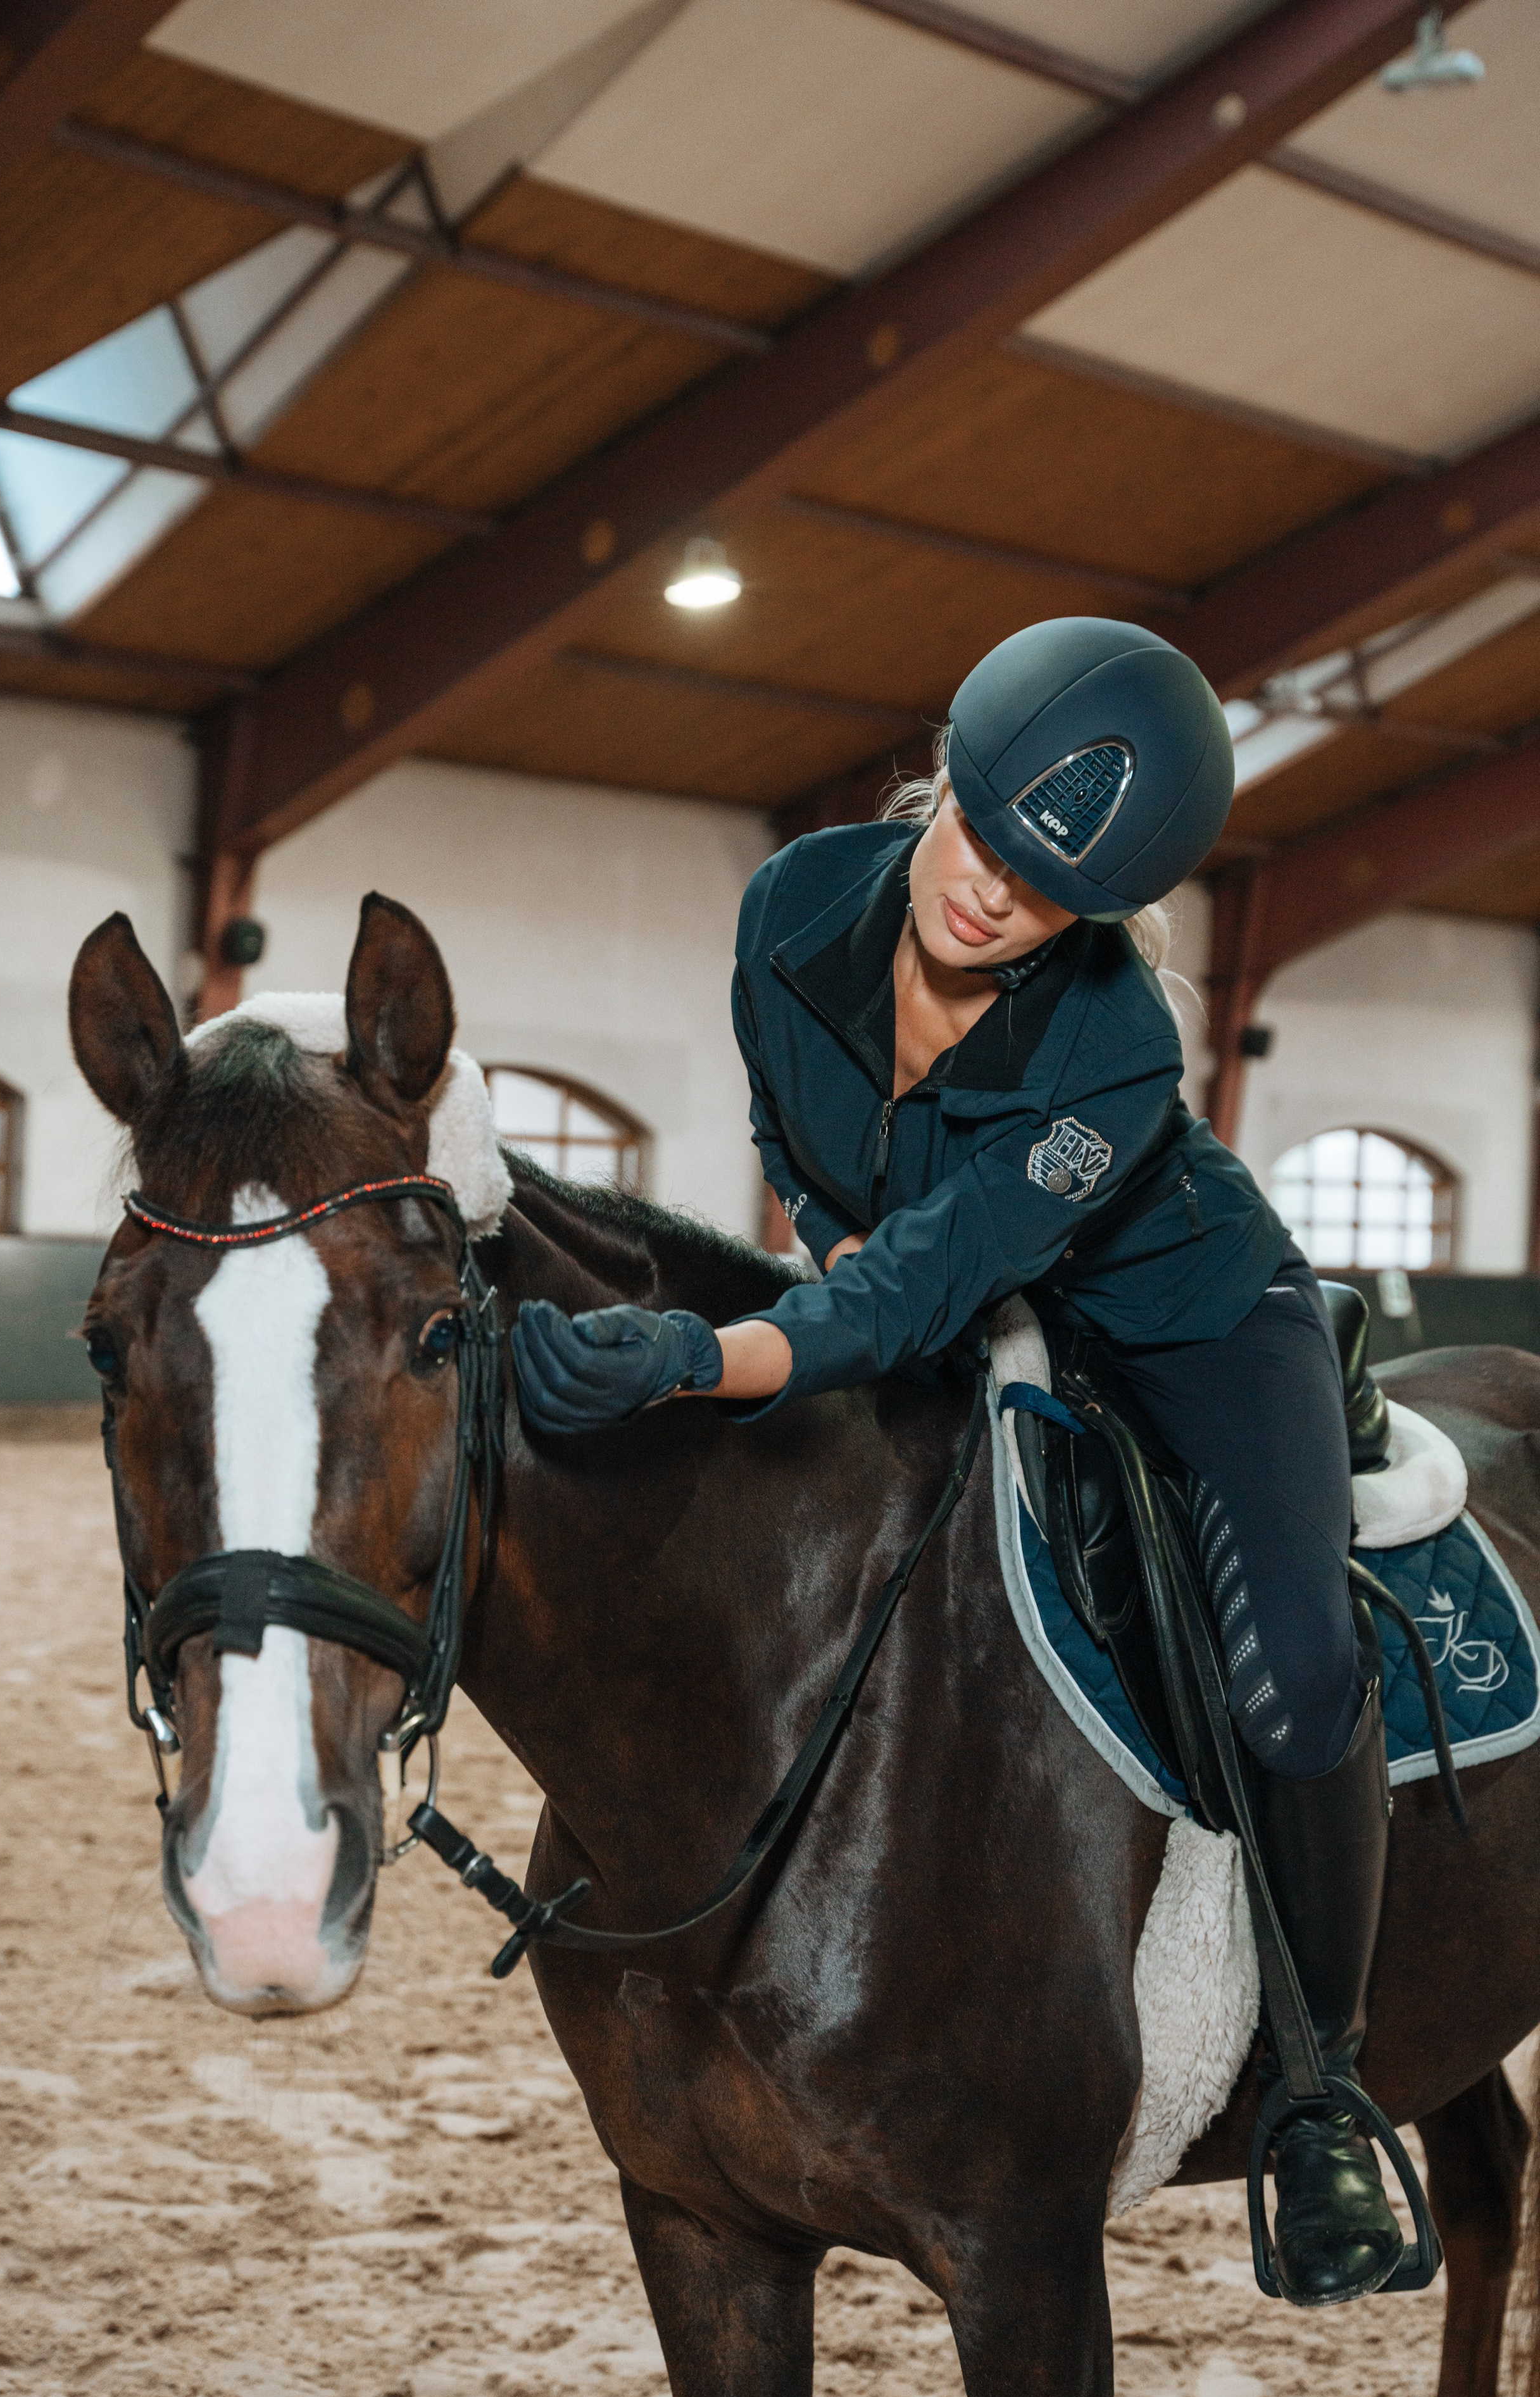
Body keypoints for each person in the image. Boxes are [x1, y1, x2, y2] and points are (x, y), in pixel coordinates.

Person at [511, 616, 1400, 2308]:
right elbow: (809, 1160)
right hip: (938, 1294)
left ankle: (1326, 2093)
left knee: (1293, 1667)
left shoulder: (1119, 1042)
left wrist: (707, 1357)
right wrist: (790, 1309)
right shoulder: (790, 909)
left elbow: (932, 1278)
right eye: (985, 837)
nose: (993, 894)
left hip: (1197, 1324)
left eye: (1045, 893)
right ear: (948, 775)